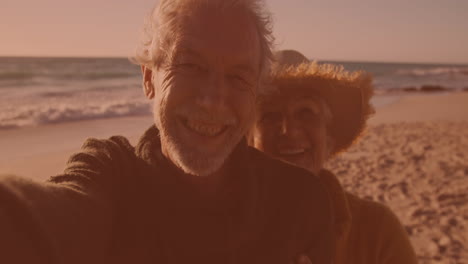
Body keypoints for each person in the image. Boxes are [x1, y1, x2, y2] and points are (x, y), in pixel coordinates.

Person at [0, 2, 333, 264]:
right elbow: (45, 219)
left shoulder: (299, 200)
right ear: (148, 78)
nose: (213, 100)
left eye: (238, 77)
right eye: (190, 66)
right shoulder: (112, 176)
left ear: (255, 94)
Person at [250, 49, 419, 264]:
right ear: (249, 141)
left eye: (306, 113)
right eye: (270, 115)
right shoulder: (222, 228)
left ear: (329, 138)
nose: (289, 131)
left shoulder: (376, 230)